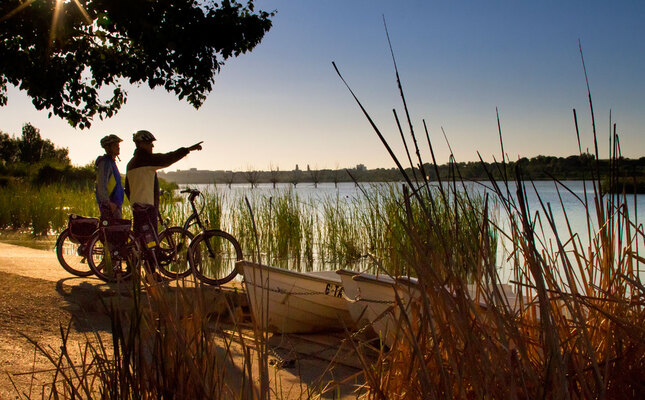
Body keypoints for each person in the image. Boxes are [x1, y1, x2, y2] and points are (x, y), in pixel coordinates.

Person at [125, 130, 202, 276]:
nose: (152, 146)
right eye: (149, 143)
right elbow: (167, 158)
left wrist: (137, 199)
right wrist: (187, 150)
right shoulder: (145, 160)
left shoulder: (131, 164)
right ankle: (151, 274)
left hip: (138, 206)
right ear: (141, 144)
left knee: (140, 239)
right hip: (146, 206)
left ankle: (132, 270)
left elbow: (127, 189)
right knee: (150, 242)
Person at [95, 134, 124, 220]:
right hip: (110, 207)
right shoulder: (105, 163)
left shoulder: (112, 162)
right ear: (108, 147)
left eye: (118, 145)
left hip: (116, 205)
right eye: (115, 145)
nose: (118, 147)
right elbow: (101, 184)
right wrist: (108, 203)